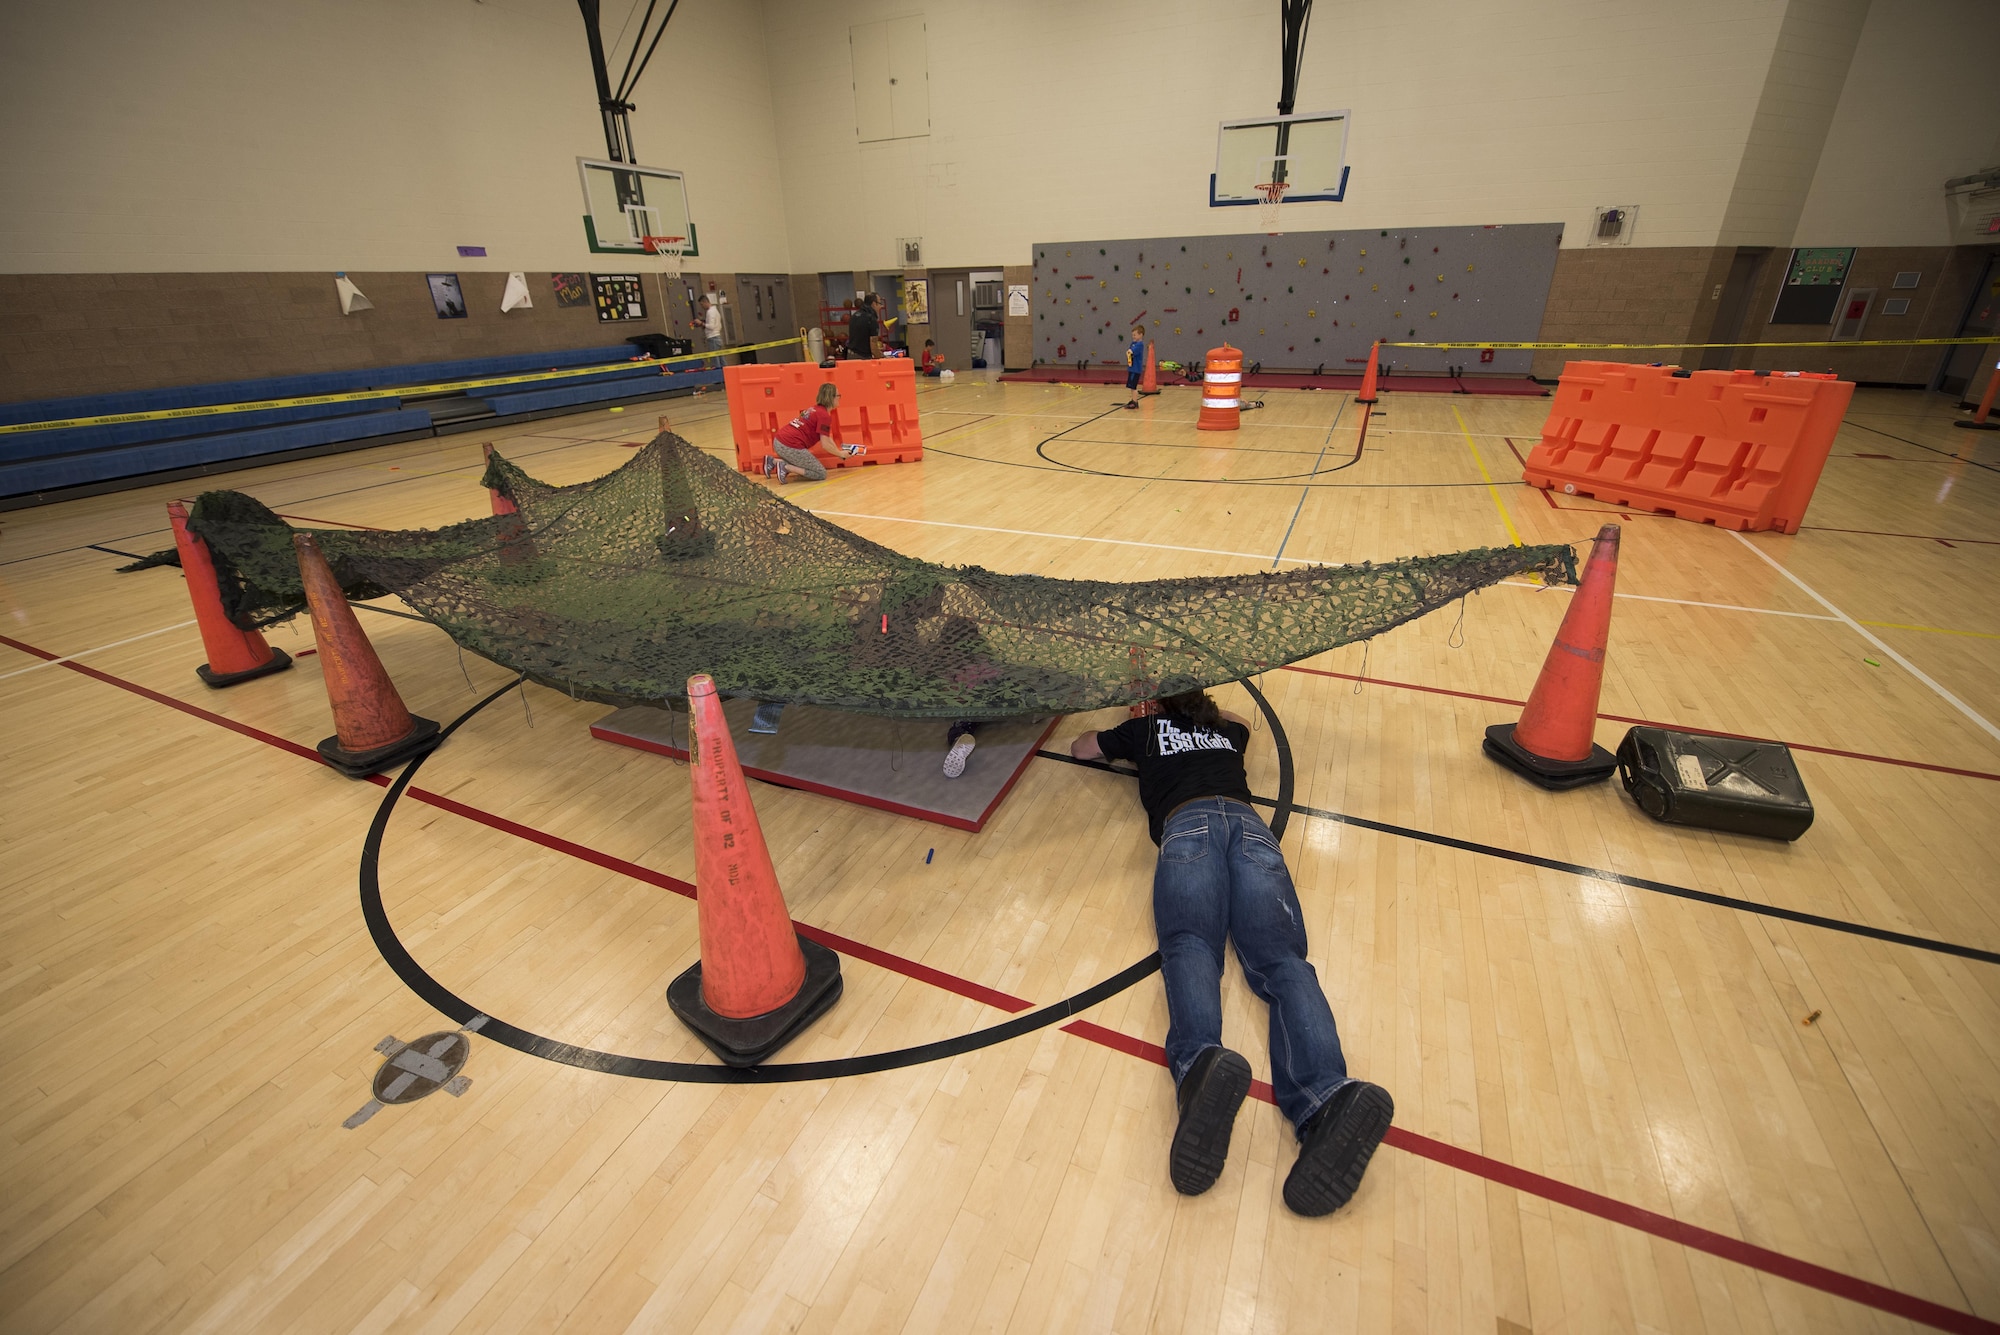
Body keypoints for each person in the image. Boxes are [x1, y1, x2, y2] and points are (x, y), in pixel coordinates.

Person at [1070, 688, 1393, 1216]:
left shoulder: (1144, 731)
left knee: (1192, 946)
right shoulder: (1227, 731)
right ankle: (1325, 1098)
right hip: (1251, 831)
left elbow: (1083, 747)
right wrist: (1196, 713)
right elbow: (1245, 718)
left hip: (1187, 827)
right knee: (1285, 965)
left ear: (1156, 706)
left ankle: (1201, 1065)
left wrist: (1137, 720)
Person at [763, 383, 862, 484]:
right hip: (790, 445)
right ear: (831, 398)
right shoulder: (824, 416)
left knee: (802, 462)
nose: (839, 398)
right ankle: (785, 467)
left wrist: (838, 453)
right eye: (838, 395)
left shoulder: (814, 409)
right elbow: (825, 444)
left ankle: (773, 461)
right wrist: (840, 453)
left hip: (779, 441)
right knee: (820, 473)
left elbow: (827, 438)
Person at [846, 293, 881, 360]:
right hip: (862, 358)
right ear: (874, 304)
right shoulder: (871, 319)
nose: (880, 307)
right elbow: (873, 347)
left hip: (850, 356)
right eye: (879, 304)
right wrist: (882, 358)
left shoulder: (854, 316)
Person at [1122, 327, 1146, 408]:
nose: (1133, 336)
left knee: (1133, 386)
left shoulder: (1140, 345)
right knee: (1131, 385)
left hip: (1136, 369)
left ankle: (1135, 402)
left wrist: (1129, 352)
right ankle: (1133, 400)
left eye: (1135, 335)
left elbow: (1131, 351)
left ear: (1140, 335)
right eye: (1132, 335)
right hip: (1132, 367)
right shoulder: (1133, 343)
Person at [701, 296, 726, 369]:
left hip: (713, 338)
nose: (702, 307)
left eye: (702, 304)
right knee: (721, 360)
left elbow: (711, 326)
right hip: (717, 337)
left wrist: (702, 324)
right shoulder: (715, 310)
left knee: (715, 361)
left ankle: (718, 378)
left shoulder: (710, 312)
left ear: (705, 302)